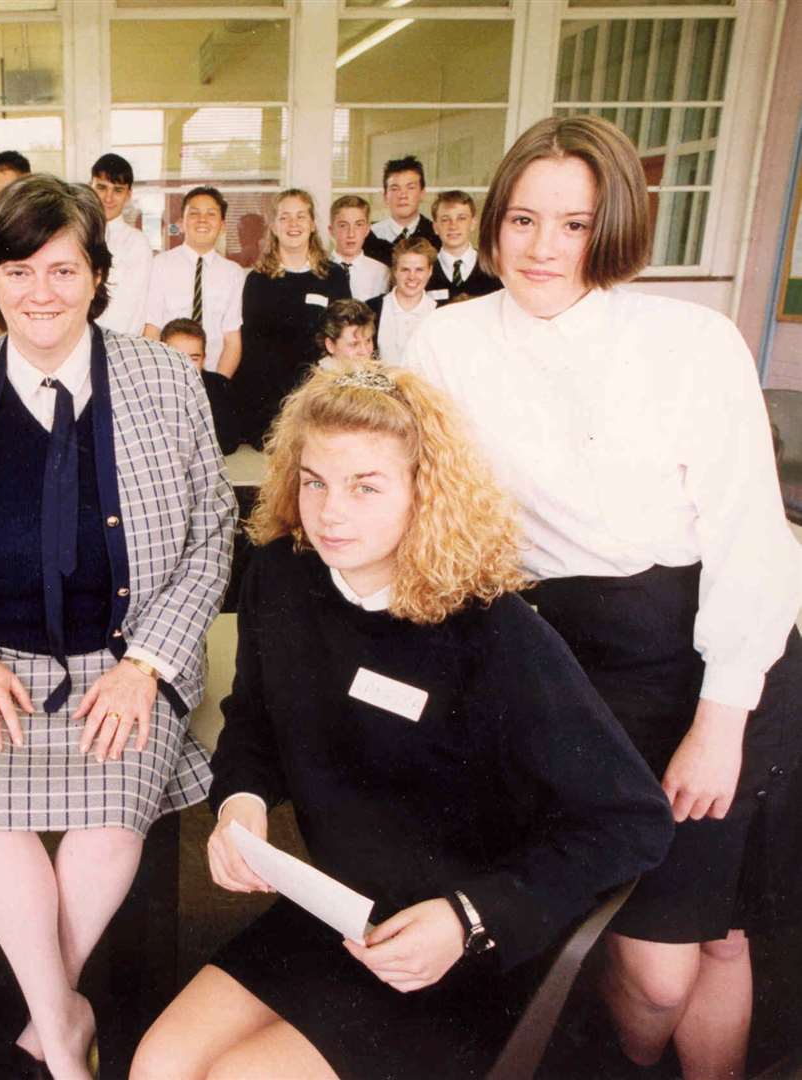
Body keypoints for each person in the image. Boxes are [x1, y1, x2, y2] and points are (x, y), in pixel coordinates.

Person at [131, 361, 674, 1080]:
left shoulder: (496, 633)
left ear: (426, 492)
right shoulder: (282, 576)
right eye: (314, 480)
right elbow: (255, 719)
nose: (330, 512)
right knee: (156, 1065)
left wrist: (465, 918)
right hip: (339, 908)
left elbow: (632, 822)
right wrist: (240, 802)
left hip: (461, 945)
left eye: (365, 486)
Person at [405, 114, 802, 1080]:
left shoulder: (689, 341)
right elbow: (426, 506)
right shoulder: (444, 341)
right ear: (494, 221)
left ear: (613, 227)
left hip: (711, 655)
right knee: (633, 959)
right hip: (556, 663)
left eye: (575, 225)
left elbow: (752, 539)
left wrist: (719, 721)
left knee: (711, 941)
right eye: (524, 220)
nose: (543, 249)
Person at [0, 174, 235, 1080]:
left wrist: (147, 663)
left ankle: (42, 1022)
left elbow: (211, 533)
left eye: (63, 270)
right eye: (18, 270)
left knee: (115, 810)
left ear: (99, 276)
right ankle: (64, 1035)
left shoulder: (165, 378)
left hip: (124, 658)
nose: (41, 293)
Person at [233, 188, 351, 449]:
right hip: (270, 403)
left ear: (312, 224)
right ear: (274, 227)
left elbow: (342, 338)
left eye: (301, 216)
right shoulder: (257, 280)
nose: (293, 224)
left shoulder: (334, 276)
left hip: (319, 396)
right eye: (285, 217)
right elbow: (253, 349)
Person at [142, 185, 245, 376]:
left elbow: (232, 340)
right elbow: (152, 329)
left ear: (222, 225)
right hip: (167, 372)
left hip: (214, 373)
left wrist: (219, 386)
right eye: (194, 213)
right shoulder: (160, 265)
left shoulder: (233, 273)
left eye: (211, 214)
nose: (202, 220)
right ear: (181, 223)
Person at [91, 152, 154, 335]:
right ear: (91, 186)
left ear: (128, 194)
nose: (108, 198)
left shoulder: (137, 243)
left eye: (117, 190)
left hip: (114, 343)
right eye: (102, 187)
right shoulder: (76, 234)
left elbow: (131, 309)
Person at [161, 317, 240, 455]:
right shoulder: (149, 391)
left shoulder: (220, 387)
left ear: (204, 359)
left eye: (194, 358)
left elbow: (228, 444)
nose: (186, 366)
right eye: (176, 357)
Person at [368, 236, 438, 365]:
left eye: (419, 270)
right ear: (394, 271)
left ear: (430, 271)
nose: (412, 277)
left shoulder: (439, 313)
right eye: (405, 269)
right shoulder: (370, 309)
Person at [363, 155, 441, 267]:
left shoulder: (436, 235)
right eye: (395, 188)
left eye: (410, 187)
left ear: (422, 193)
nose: (403, 195)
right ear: (385, 196)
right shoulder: (368, 235)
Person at [426, 190, 501, 304]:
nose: (453, 226)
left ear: (473, 223)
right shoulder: (422, 270)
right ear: (435, 227)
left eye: (461, 218)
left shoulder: (493, 267)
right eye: (445, 219)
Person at [328, 194, 391, 302]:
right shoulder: (318, 269)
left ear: (367, 230)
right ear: (331, 230)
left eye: (358, 225)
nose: (351, 234)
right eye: (343, 225)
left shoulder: (382, 272)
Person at [316, 298, 377, 368]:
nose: (365, 351)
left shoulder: (381, 375)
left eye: (368, 341)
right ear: (330, 346)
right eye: (354, 344)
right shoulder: (322, 378)